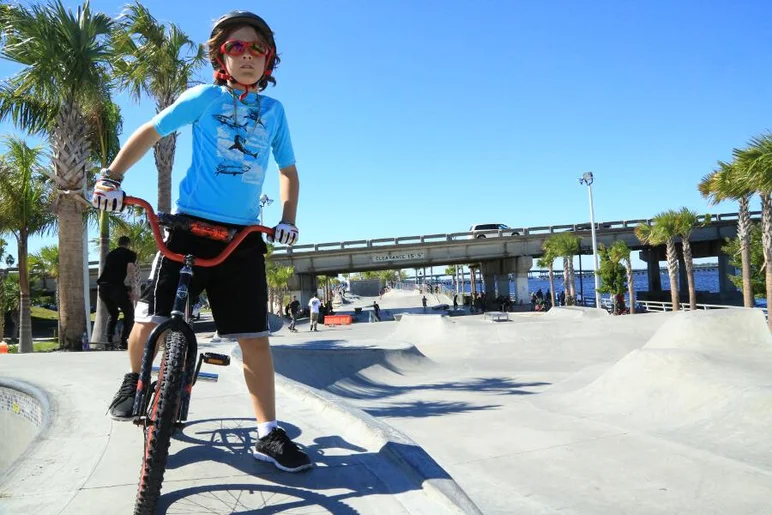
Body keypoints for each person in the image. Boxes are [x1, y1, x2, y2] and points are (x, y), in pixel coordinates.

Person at [92, 11, 310, 472]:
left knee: (254, 340)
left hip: (242, 238)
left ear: (268, 58)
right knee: (150, 318)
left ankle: (268, 433)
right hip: (189, 229)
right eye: (236, 47)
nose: (246, 55)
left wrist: (288, 219)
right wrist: (111, 178)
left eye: (256, 48)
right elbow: (151, 132)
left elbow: (288, 172)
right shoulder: (204, 98)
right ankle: (134, 381)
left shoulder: (274, 112)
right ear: (221, 56)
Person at [96, 236, 137, 349]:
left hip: (103, 287)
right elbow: (130, 269)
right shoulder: (130, 254)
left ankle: (109, 341)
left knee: (113, 313)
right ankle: (123, 341)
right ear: (128, 244)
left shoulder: (111, 254)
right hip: (116, 286)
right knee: (129, 312)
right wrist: (131, 288)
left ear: (118, 243)